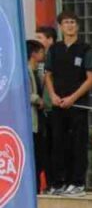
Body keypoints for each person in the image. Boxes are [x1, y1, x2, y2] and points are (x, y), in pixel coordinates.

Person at [44, 10, 92, 197]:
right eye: (66, 22)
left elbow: (91, 78)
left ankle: (77, 183)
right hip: (58, 105)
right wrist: (52, 95)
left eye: (73, 22)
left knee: (78, 144)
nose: (69, 25)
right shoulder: (54, 49)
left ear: (78, 26)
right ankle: (59, 183)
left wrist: (72, 98)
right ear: (60, 26)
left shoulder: (86, 49)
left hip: (78, 106)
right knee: (58, 144)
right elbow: (48, 75)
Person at [34, 26, 56, 193]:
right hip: (41, 113)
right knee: (42, 150)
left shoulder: (55, 60)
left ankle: (53, 183)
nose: (37, 41)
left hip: (53, 110)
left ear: (50, 40)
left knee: (52, 149)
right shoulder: (36, 64)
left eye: (40, 37)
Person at [26, 40, 45, 188]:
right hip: (31, 122)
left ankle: (37, 186)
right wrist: (37, 99)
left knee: (39, 155)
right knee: (34, 156)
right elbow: (25, 94)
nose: (43, 55)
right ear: (33, 53)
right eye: (41, 52)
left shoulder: (37, 71)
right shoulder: (25, 71)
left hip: (39, 121)